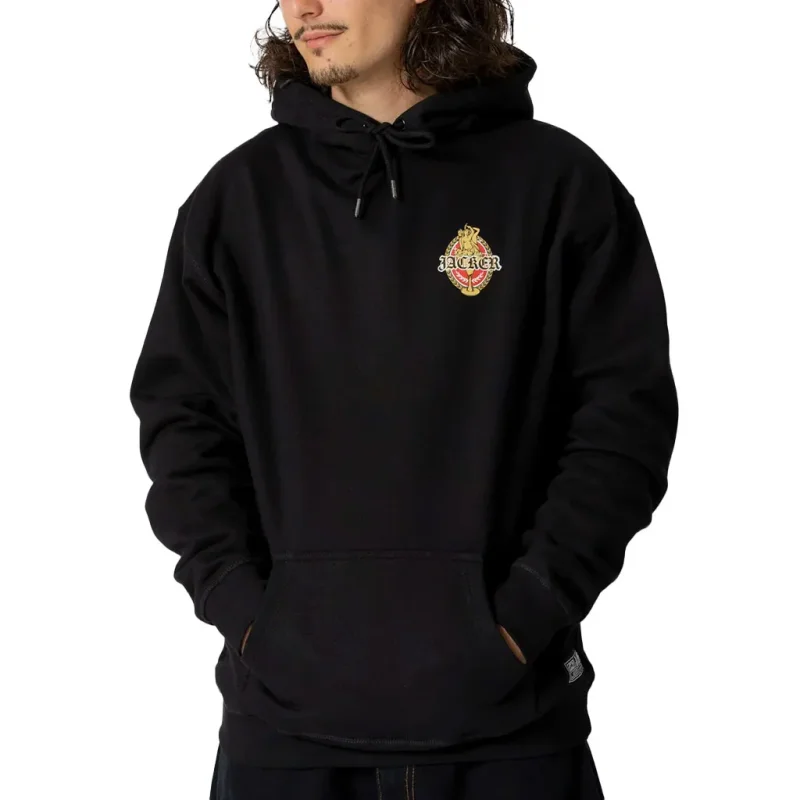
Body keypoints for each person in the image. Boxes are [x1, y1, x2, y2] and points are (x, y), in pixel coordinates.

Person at [128, 0, 679, 797]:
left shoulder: (560, 186)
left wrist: (523, 618)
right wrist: (248, 617)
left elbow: (621, 428)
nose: (302, 7)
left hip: (513, 736)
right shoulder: (236, 201)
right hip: (286, 735)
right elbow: (183, 430)